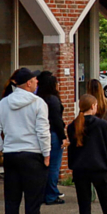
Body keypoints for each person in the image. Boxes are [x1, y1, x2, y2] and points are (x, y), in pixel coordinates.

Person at [0, 68, 55, 214]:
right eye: (35, 80)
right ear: (28, 83)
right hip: (33, 155)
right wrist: (46, 154)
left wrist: (2, 149)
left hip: (11, 155)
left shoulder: (3, 103)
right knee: (32, 202)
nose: (37, 83)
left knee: (11, 201)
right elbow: (43, 131)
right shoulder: (38, 103)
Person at [38, 72, 66, 206]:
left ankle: (43, 193)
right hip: (53, 134)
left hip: (40, 134)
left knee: (43, 166)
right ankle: (51, 194)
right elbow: (57, 121)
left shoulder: (38, 99)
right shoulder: (53, 100)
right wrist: (63, 137)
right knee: (54, 165)